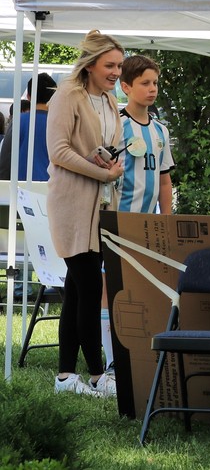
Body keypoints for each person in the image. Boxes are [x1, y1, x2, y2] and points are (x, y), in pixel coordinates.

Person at [47, 30, 125, 397]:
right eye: (110, 65)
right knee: (91, 286)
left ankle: (65, 376)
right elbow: (59, 152)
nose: (115, 72)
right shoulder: (68, 94)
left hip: (101, 202)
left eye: (119, 66)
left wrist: (110, 162)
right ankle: (97, 375)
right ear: (90, 64)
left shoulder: (109, 99)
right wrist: (102, 171)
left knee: (77, 289)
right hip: (72, 203)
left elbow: (105, 147)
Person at [118, 55, 175, 215]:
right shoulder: (116, 125)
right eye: (145, 83)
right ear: (126, 87)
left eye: (155, 83)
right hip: (118, 217)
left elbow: (164, 181)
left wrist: (166, 218)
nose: (152, 89)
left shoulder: (160, 130)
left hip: (148, 222)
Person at [0, 72, 57, 181]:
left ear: (28, 96)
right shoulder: (60, 123)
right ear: (53, 96)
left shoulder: (19, 120)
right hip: (52, 187)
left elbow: (6, 159)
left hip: (21, 188)